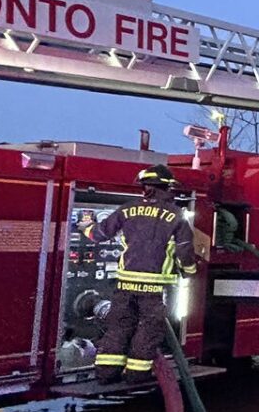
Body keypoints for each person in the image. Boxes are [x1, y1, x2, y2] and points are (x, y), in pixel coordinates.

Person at [84, 164, 198, 385]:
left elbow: (98, 234)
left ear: (146, 188)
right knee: (148, 329)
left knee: (118, 326)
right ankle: (136, 375)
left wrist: (84, 227)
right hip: (153, 288)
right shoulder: (177, 216)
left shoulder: (126, 209)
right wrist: (189, 271)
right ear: (166, 188)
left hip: (125, 283)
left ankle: (106, 374)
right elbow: (185, 250)